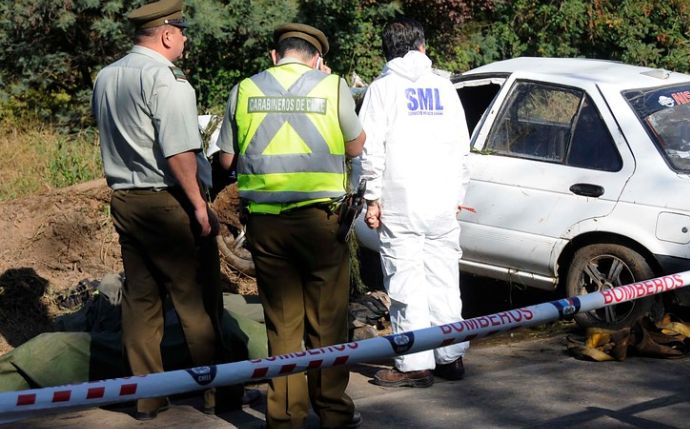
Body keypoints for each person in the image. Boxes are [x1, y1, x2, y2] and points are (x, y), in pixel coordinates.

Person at [217, 23, 366, 429]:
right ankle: (333, 409)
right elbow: (356, 147)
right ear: (317, 58)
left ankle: (285, 416)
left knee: (282, 324)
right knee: (329, 320)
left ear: (274, 56)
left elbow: (226, 161)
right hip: (322, 223)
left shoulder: (244, 90)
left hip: (266, 226)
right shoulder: (332, 86)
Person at [91, 0, 224, 421]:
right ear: (167, 35)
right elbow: (180, 152)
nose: (185, 38)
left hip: (126, 199)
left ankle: (148, 396)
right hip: (169, 201)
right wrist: (199, 206)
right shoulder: (169, 81)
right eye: (182, 30)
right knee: (196, 299)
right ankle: (215, 393)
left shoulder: (107, 76)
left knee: (141, 300)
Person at [359, 17, 471, 388]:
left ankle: (415, 364)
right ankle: (450, 356)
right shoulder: (445, 87)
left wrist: (372, 197)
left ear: (388, 50)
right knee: (444, 279)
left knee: (406, 284)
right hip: (441, 202)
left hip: (401, 203)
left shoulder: (382, 90)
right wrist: (458, 195)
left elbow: (370, 150)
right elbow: (461, 148)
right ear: (421, 47)